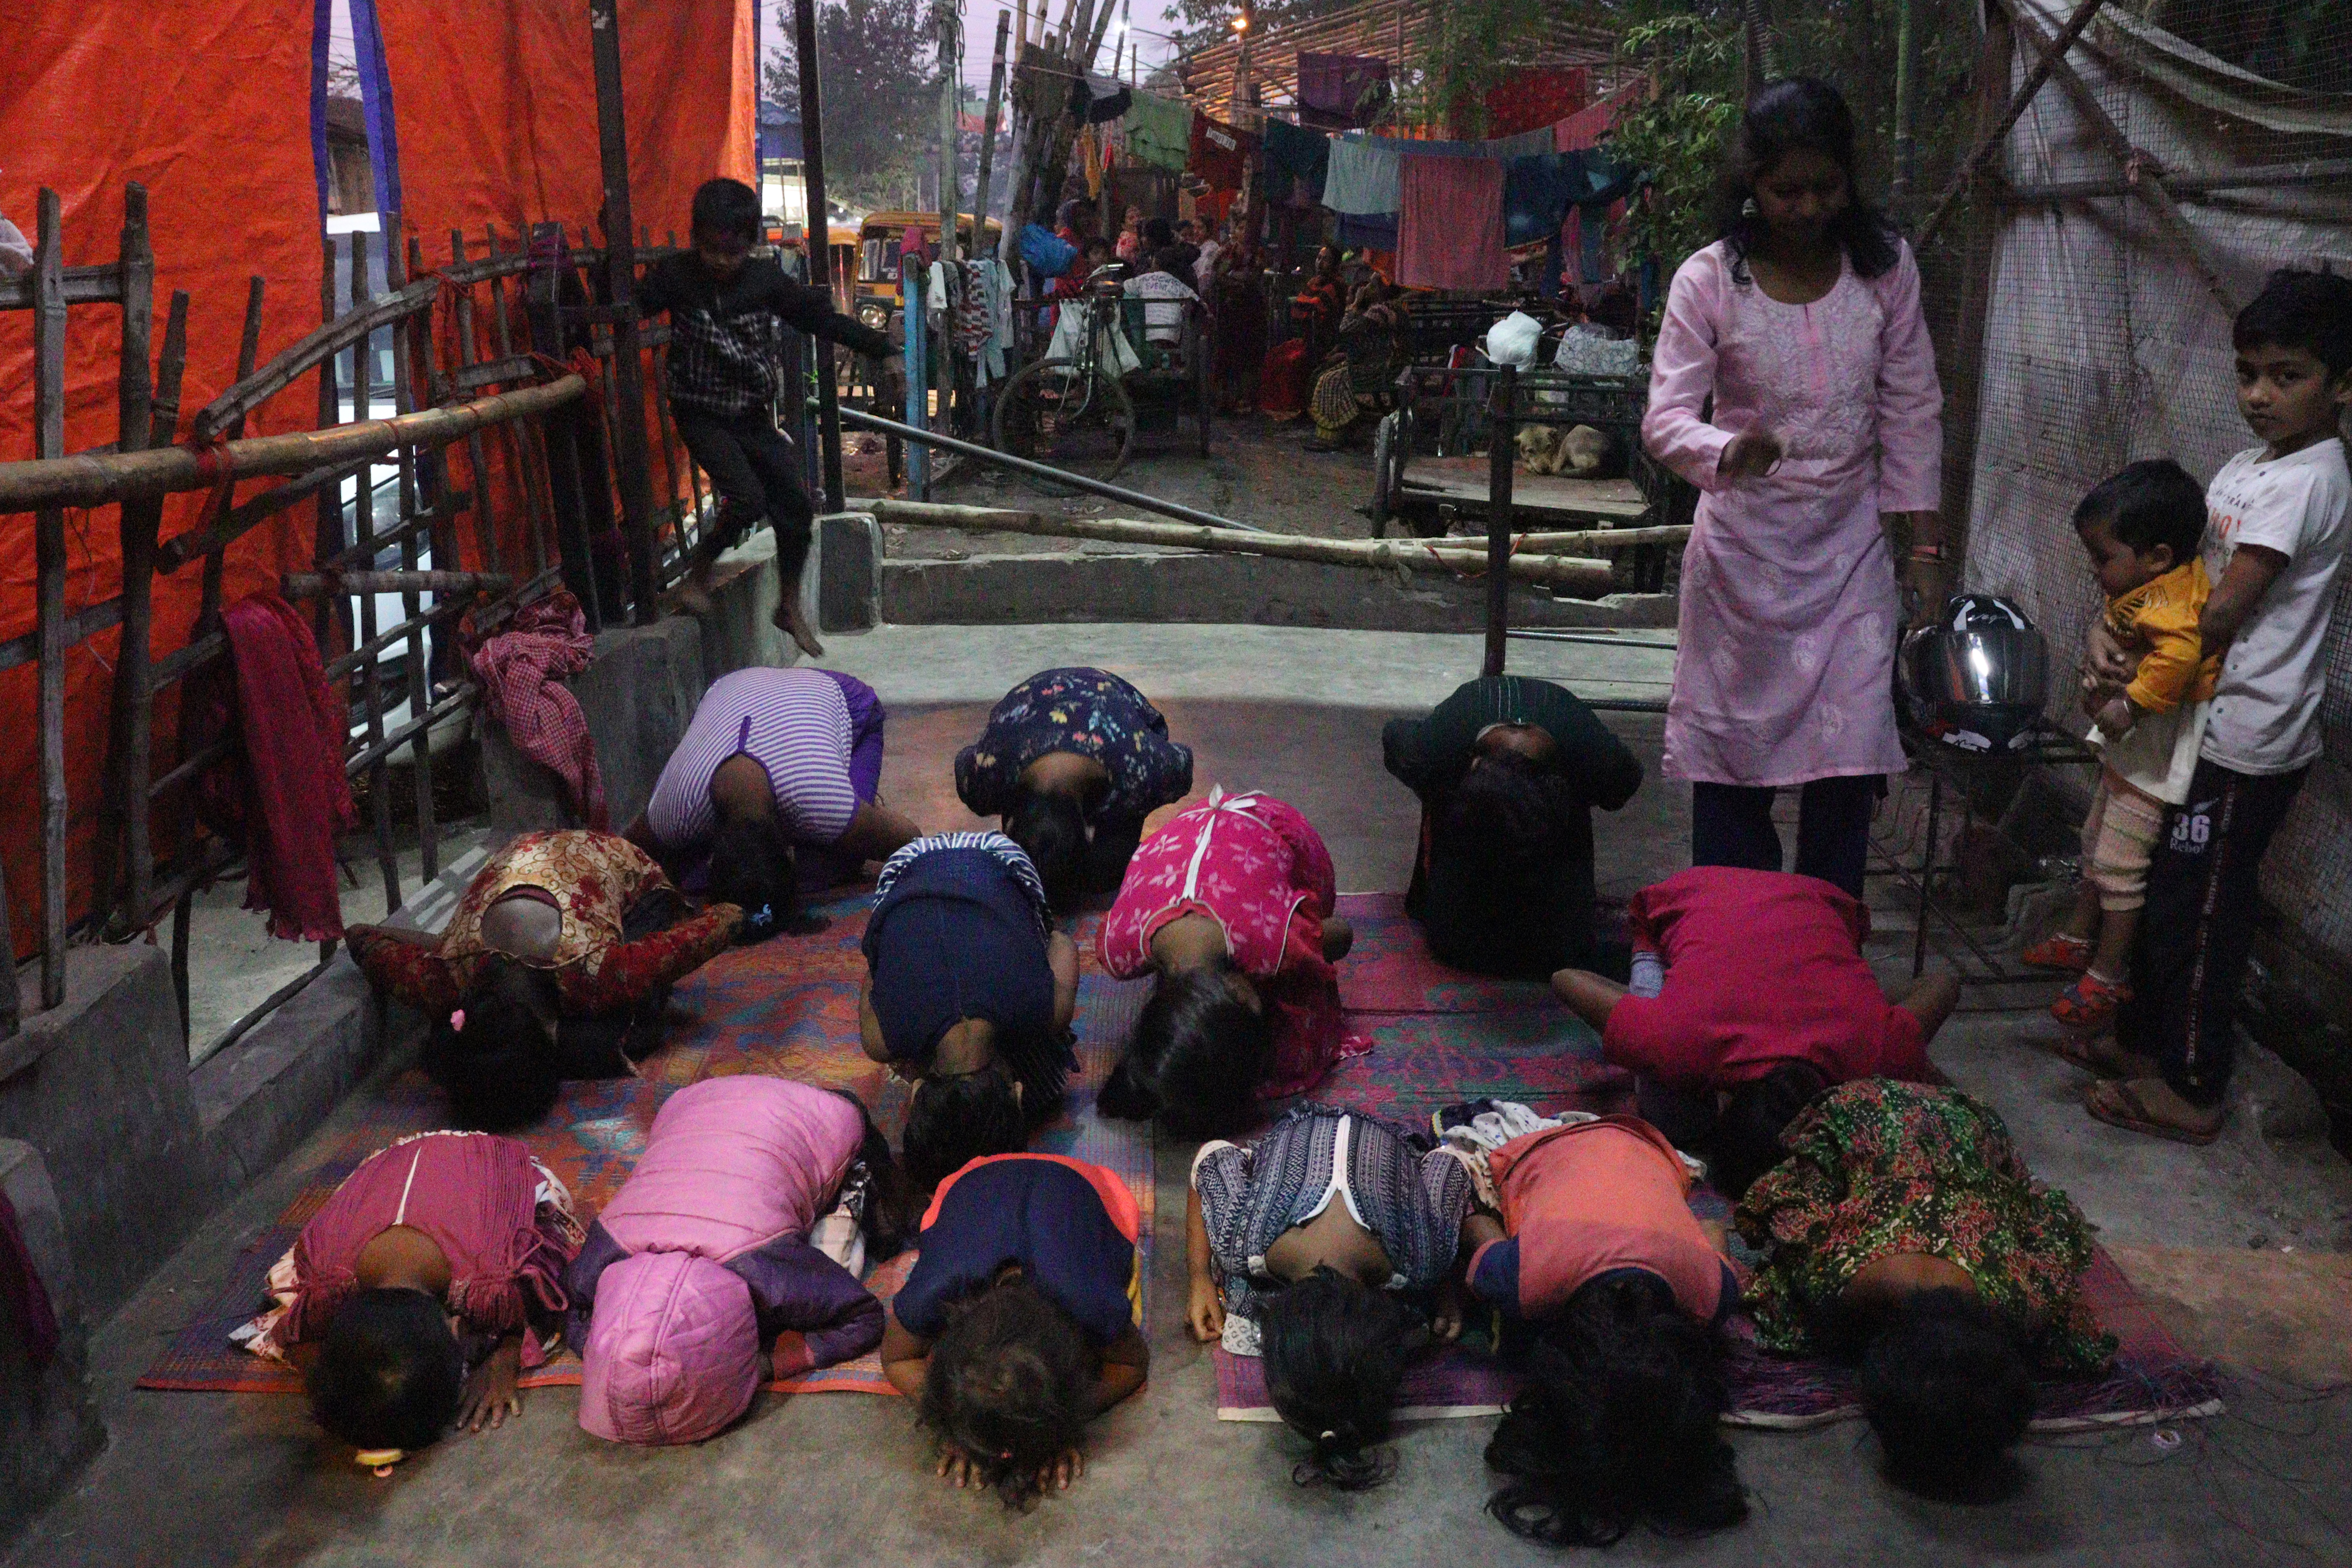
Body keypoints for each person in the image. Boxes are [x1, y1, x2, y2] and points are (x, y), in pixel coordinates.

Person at [1641, 78, 1947, 900]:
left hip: (1849, 560)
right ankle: (1734, 945)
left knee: (1846, 768)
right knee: (1734, 770)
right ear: (1751, 184)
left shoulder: (1886, 271)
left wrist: (1923, 545)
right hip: (1742, 564)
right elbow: (1665, 418)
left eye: (1825, 187)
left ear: (1849, 182)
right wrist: (1727, 448)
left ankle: (1823, 953)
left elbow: (1913, 407)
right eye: (1786, 190)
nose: (1807, 207)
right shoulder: (1708, 280)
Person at [2082, 267, 2352, 1144]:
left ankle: (2194, 1087)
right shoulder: (2250, 465)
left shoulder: (2311, 479)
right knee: (2168, 889)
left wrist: (2130, 671)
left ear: (2342, 386)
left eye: (2287, 375)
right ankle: (2151, 1048)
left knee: (2200, 909)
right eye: (2248, 374)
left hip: (2248, 739)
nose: (2260, 394)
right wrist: (2117, 634)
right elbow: (2180, 582)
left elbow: (2220, 609)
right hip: (2203, 722)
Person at [1735, 1080, 2115, 1492]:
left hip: (1946, 1119)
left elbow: (2057, 1216)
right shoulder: (1841, 1280)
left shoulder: (2022, 1296)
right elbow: (1775, 1211)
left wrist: (2001, 1202)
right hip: (1896, 1117)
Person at [1552, 866, 1958, 1198]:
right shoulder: (1874, 1050)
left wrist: (1864, 1005)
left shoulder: (1875, 1055)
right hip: (1727, 895)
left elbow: (1944, 983)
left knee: (1670, 1114)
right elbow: (1566, 979)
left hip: (1805, 895)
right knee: (1667, 1110)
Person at [1448, 1109, 1748, 1546]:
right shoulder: (1523, 1280)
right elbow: (1477, 1226)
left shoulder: (1709, 1294)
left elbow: (1711, 1228)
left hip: (1649, 1147)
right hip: (1549, 1146)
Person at [564, 1078, 910, 1444]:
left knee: (887, 1231)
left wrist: (770, 1364)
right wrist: (603, 1352)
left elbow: (865, 1317)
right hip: (687, 1103)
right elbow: (569, 1310)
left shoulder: (767, 1269)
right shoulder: (605, 1251)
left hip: (815, 1108)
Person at [636, 178, 894, 657]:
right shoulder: (676, 276)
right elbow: (629, 305)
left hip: (751, 412)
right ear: (696, 239)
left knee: (796, 507)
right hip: (700, 411)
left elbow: (820, 321)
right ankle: (696, 575)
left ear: (750, 245)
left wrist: (877, 345)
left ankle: (789, 604)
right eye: (712, 251)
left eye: (732, 254)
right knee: (748, 497)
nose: (721, 263)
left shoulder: (765, 281)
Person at [345, 832, 742, 1129]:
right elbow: (361, 936)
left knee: (613, 1029)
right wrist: (447, 944)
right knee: (598, 1042)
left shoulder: (597, 971)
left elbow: (728, 919)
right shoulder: (444, 977)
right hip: (527, 850)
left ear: (553, 1027)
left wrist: (446, 944)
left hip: (618, 861)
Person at [233, 1131, 583, 1457]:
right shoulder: (328, 1281)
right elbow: (303, 1343)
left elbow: (542, 1305)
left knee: (549, 1263)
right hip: (395, 1159)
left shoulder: (491, 1282)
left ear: (455, 1328)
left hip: (485, 1155)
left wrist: (505, 1358)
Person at [2020, 461, 2217, 1033]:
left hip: (2152, 763)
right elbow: (2120, 622)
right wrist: (2101, 638)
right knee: (2092, 841)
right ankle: (2078, 938)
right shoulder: (2150, 587)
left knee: (2119, 866)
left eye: (2104, 559)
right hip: (2130, 757)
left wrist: (2125, 706)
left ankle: (2107, 977)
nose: (2096, 571)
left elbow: (2180, 659)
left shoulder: (2173, 609)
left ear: (2156, 556)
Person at [1187, 1105, 1474, 1486]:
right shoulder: (1242, 1239)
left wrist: (1443, 1281)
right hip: (1305, 1136)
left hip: (1373, 1139)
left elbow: (1449, 1162)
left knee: (1239, 1296)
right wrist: (1200, 1278)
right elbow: (1209, 1157)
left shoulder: (1424, 1256)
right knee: (1238, 1291)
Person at [881, 1152, 1151, 1506]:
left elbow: (1132, 1364)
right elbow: (896, 1359)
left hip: (1082, 1183)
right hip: (973, 1180)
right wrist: (955, 1421)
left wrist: (1064, 1427)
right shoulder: (935, 1295)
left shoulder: (1089, 1303)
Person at [1096, 789, 1363, 1128]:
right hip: (1184, 828)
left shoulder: (1272, 939)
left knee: (1297, 1047)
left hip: (1273, 825)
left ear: (1243, 988)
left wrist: (1302, 946)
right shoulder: (1116, 946)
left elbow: (1343, 935)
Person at [1381, 674, 1644, 980]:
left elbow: (1625, 778)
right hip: (1552, 945)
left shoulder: (1586, 743)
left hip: (1466, 938)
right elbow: (1396, 739)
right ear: (1473, 764)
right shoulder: (1450, 733)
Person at [858, 832, 1082, 1189]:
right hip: (908, 868)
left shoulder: (1046, 1010)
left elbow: (1059, 944)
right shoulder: (882, 1037)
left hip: (992, 858)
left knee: (1048, 1062)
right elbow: (874, 974)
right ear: (916, 1092)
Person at [632, 666, 922, 927]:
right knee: (687, 876)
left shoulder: (821, 800)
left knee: (822, 869)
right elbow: (622, 850)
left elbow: (911, 840)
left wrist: (863, 825)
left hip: (840, 696)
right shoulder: (675, 809)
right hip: (731, 688)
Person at [953, 667, 1194, 911]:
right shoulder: (986, 775)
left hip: (1111, 697)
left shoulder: (1140, 765)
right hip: (1031, 699)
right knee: (1066, 862)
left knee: (1106, 873)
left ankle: (1081, 870)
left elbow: (1183, 762)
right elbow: (964, 760)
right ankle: (1053, 870)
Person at [1123, 247, 1200, 349]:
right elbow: (1196, 299)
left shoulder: (1145, 279)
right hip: (1172, 332)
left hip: (1148, 331)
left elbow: (1128, 286)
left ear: (1157, 264)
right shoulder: (1177, 283)